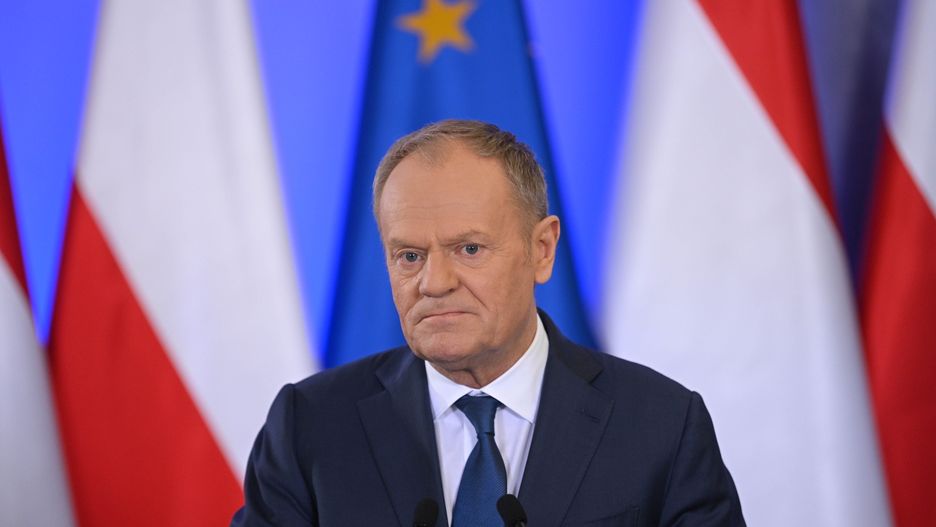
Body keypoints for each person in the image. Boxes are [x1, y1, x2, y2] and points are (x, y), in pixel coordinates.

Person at [231, 120, 744, 526]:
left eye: (469, 249)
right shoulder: (310, 426)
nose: (434, 282)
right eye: (409, 255)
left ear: (542, 250)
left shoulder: (661, 426)